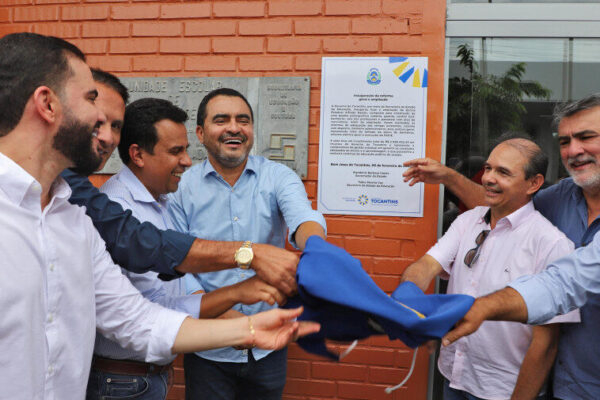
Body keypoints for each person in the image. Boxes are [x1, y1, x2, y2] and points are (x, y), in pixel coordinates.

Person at [0, 32, 319, 400]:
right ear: (47, 104)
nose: (105, 126)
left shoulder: (74, 215)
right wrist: (248, 257)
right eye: (91, 99)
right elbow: (141, 244)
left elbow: (137, 320)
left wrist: (249, 329)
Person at [87, 97, 286, 400]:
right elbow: (159, 307)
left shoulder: (161, 201)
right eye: (176, 151)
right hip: (121, 381)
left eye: (186, 150)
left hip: (147, 376)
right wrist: (239, 293)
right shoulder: (121, 209)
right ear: (138, 155)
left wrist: (241, 297)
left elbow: (175, 290)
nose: (187, 161)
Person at [404, 95, 600, 399]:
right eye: (564, 141)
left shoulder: (549, 240)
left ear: (534, 183)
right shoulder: (556, 198)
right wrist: (448, 177)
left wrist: (482, 308)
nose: (574, 150)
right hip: (562, 383)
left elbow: (560, 291)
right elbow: (504, 203)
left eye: (586, 137)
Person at [167, 88, 327, 400]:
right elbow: (176, 264)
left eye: (243, 120)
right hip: (208, 346)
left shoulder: (278, 176)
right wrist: (231, 322)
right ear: (200, 133)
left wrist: (318, 251)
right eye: (221, 120)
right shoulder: (181, 187)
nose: (234, 128)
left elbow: (304, 219)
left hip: (269, 346)